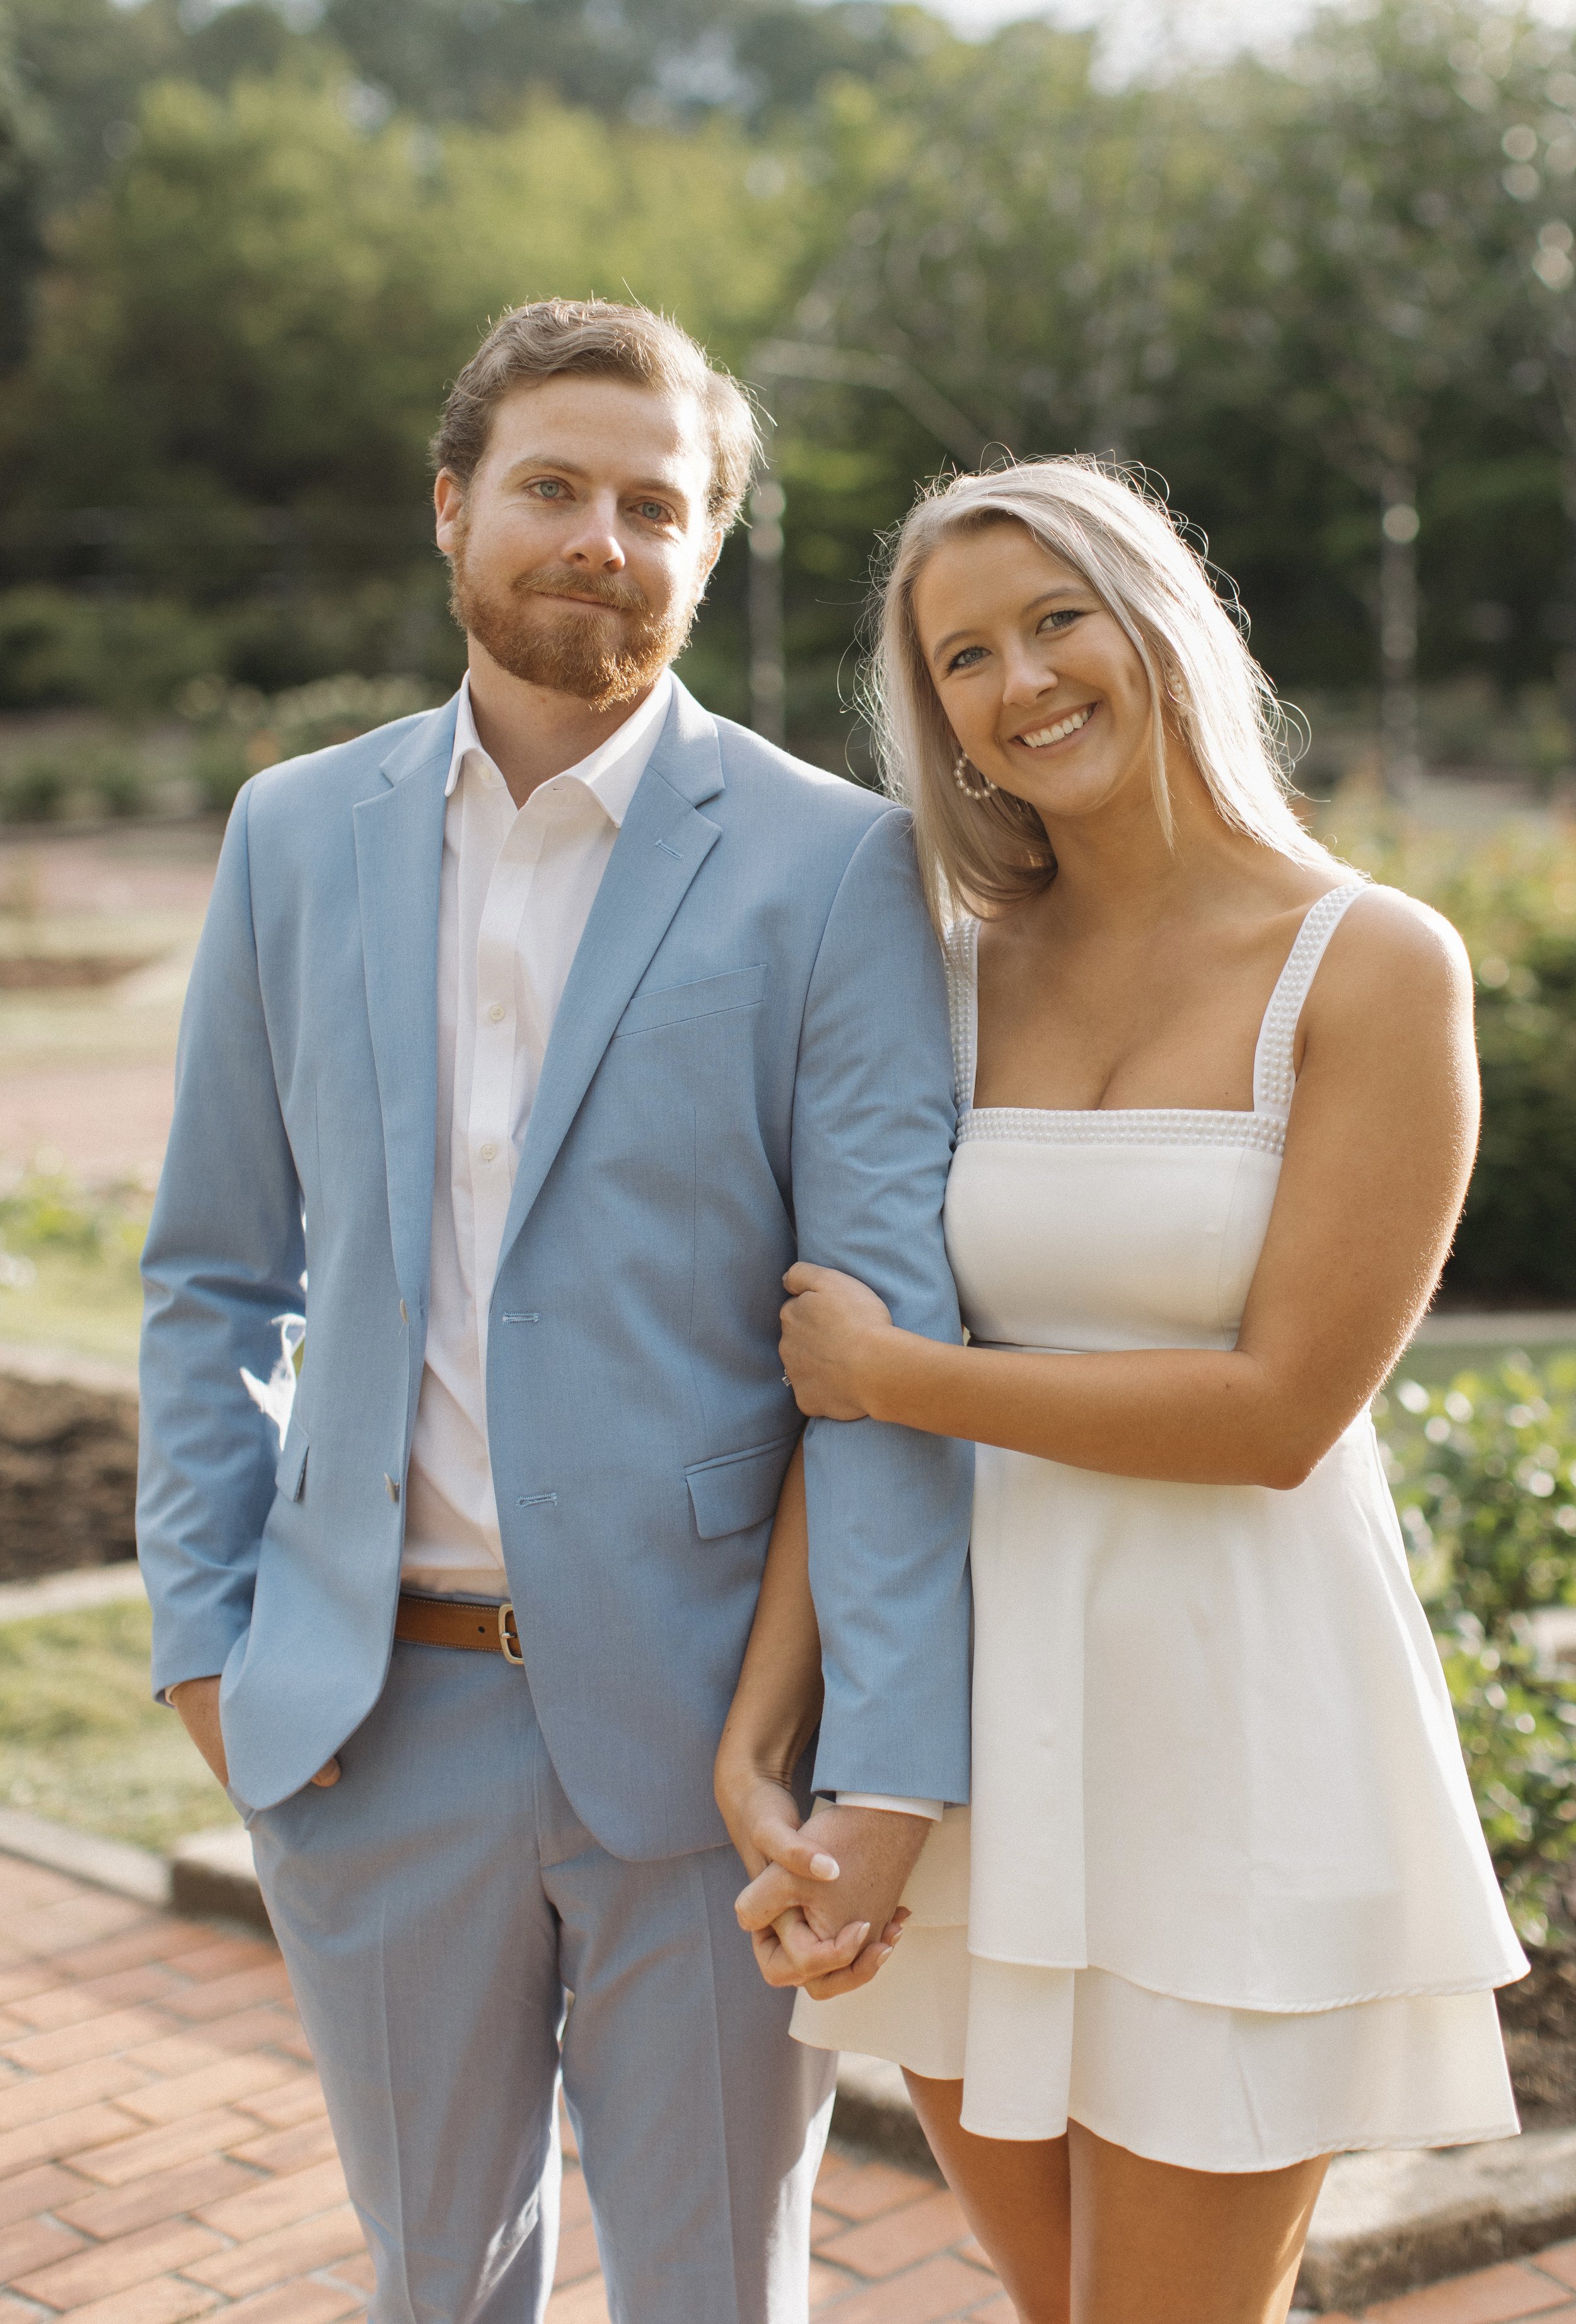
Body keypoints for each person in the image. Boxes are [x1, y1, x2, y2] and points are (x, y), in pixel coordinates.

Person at [136, 296, 974, 2324]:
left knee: (710, 2289)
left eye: (653, 504)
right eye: (552, 488)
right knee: (441, 2285)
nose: (599, 536)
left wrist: (879, 1759)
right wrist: (204, 1642)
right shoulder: (291, 835)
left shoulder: (835, 863)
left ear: (705, 547)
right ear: (452, 508)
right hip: (364, 1719)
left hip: (708, 1742)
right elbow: (211, 1273)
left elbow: (885, 1348)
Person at [719, 456, 1526, 2324]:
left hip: (1235, 1734)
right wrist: (769, 1738)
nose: (1019, 682)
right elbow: (839, 1415)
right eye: (962, 658)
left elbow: (1274, 1419)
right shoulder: (935, 973)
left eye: (1055, 618)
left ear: (1161, 621)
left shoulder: (1373, 966)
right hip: (965, 1741)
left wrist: (905, 1371)